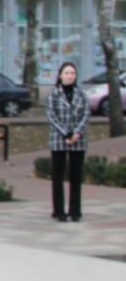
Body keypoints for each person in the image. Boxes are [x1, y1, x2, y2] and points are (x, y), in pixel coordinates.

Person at [46, 62, 89, 223]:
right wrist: (66, 133)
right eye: (67, 73)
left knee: (76, 176)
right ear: (60, 75)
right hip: (59, 139)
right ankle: (58, 210)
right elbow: (51, 116)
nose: (70, 75)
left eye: (72, 73)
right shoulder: (53, 94)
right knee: (58, 175)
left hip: (79, 140)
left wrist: (77, 132)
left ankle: (75, 210)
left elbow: (86, 115)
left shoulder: (81, 94)